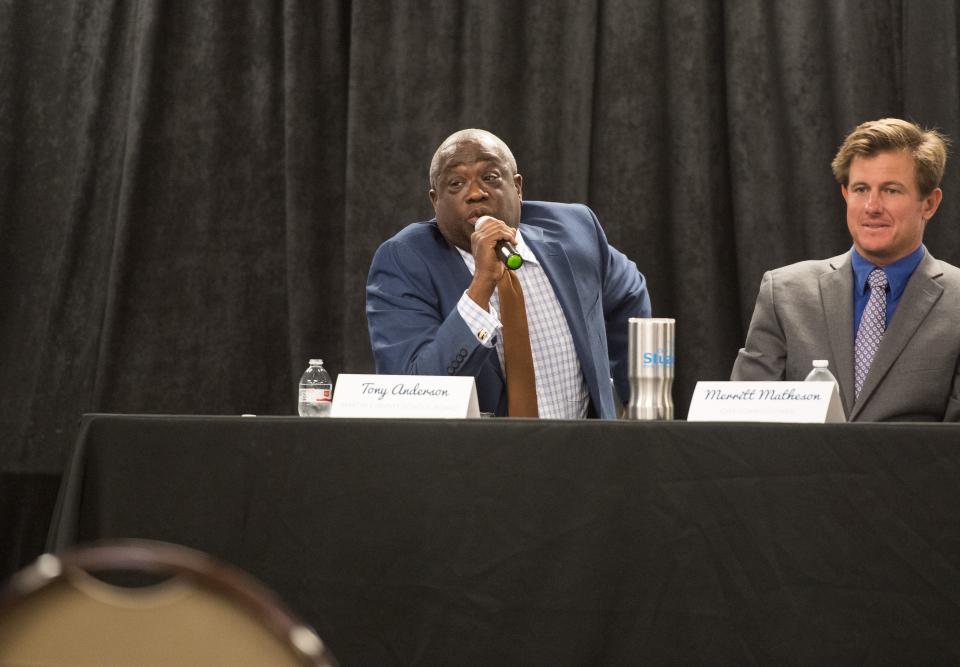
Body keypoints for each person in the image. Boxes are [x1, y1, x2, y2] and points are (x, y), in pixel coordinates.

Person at [366, 129, 651, 418]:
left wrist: (636, 400)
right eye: (456, 183)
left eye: (490, 177)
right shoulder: (406, 260)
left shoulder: (574, 230)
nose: (476, 193)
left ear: (517, 187)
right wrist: (481, 285)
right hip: (481, 459)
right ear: (434, 200)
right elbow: (414, 391)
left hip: (582, 454)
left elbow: (630, 295)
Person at [731, 118, 960, 421]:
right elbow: (741, 424)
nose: (871, 206)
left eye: (891, 190)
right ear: (845, 195)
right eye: (861, 189)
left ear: (929, 203)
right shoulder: (784, 293)